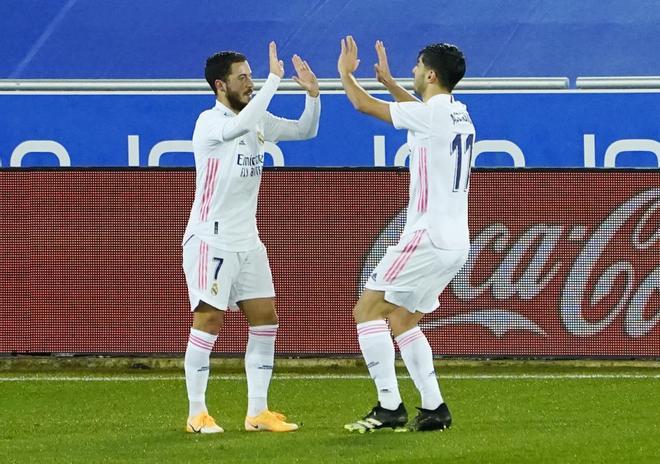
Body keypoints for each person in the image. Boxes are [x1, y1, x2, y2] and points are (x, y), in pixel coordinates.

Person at [182, 41, 320, 434]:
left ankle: (257, 413)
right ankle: (197, 414)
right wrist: (275, 80)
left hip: (248, 239)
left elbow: (305, 131)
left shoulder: (256, 119)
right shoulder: (210, 122)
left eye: (252, 76)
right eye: (242, 78)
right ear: (219, 86)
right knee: (208, 319)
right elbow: (239, 126)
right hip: (212, 237)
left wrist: (312, 97)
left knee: (265, 319)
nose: (250, 83)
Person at [338, 36, 474, 432]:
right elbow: (419, 112)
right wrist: (390, 83)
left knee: (366, 311)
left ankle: (389, 407)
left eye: (416, 67)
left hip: (427, 235)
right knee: (401, 320)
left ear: (430, 74)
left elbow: (362, 106)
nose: (412, 72)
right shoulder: (459, 113)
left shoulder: (431, 116)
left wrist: (346, 75)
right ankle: (434, 409)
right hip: (455, 243)